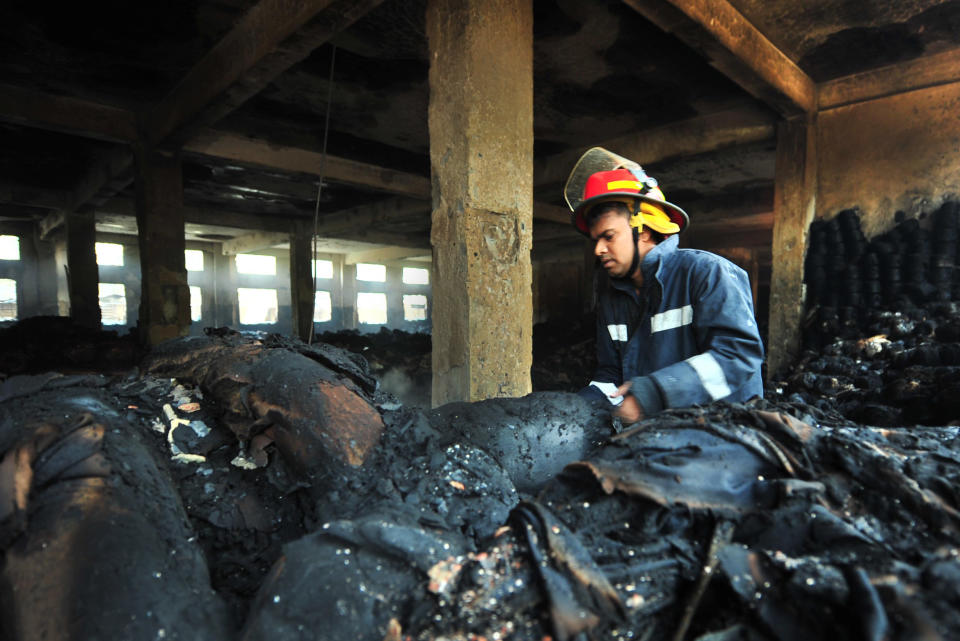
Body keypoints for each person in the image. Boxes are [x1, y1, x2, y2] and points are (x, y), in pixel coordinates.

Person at [565, 147, 764, 422]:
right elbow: (610, 376)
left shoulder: (706, 273)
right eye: (595, 240)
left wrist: (654, 394)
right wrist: (573, 410)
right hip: (659, 436)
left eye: (608, 236)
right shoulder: (613, 299)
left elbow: (737, 356)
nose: (598, 250)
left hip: (727, 434)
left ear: (644, 231)